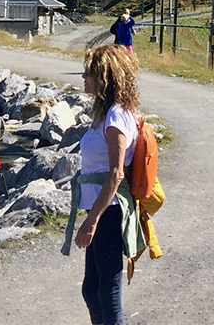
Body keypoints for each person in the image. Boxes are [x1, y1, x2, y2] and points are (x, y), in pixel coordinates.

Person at [68, 44, 144, 325]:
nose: (83, 77)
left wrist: (92, 221)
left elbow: (116, 173)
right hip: (102, 208)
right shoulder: (111, 112)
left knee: (108, 292)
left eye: (88, 72)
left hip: (110, 211)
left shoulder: (115, 117)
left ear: (104, 77)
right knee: (93, 289)